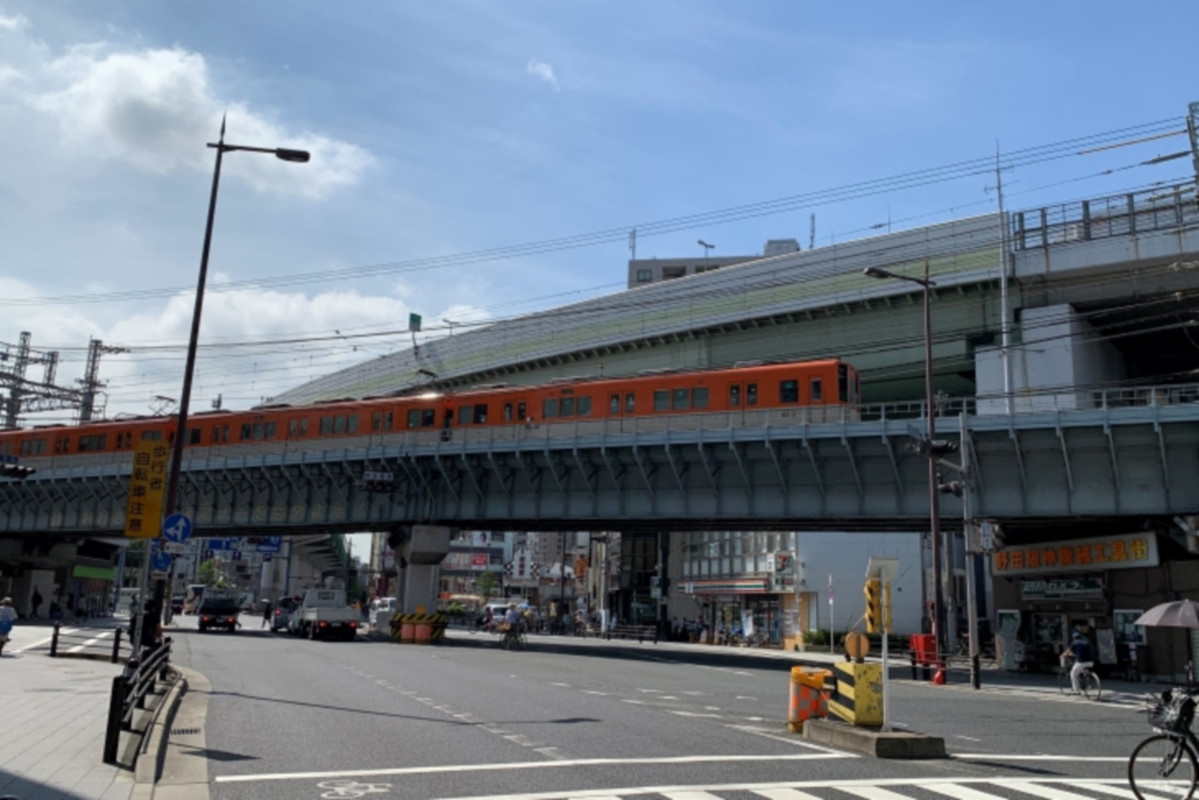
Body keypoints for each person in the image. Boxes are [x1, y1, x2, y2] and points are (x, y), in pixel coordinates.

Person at [1064, 629, 1094, 694]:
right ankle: (1088, 680)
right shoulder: (1086, 642)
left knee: (1073, 673)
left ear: (1074, 638)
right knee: (1083, 670)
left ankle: (1076, 689)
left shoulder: (1074, 643)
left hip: (1081, 662)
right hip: (1090, 662)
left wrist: (1064, 655)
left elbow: (1068, 651)